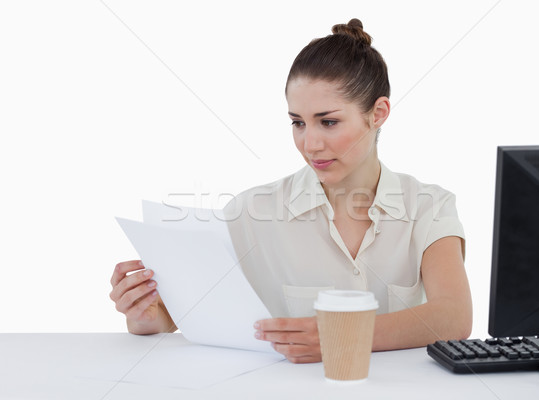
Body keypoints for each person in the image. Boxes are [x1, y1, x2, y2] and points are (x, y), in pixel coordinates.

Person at [110, 18, 472, 364]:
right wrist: (145, 314)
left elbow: (453, 316)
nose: (310, 143)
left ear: (378, 114)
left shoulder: (429, 206)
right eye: (297, 123)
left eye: (328, 122)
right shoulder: (251, 213)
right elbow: (181, 316)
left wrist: (340, 335)